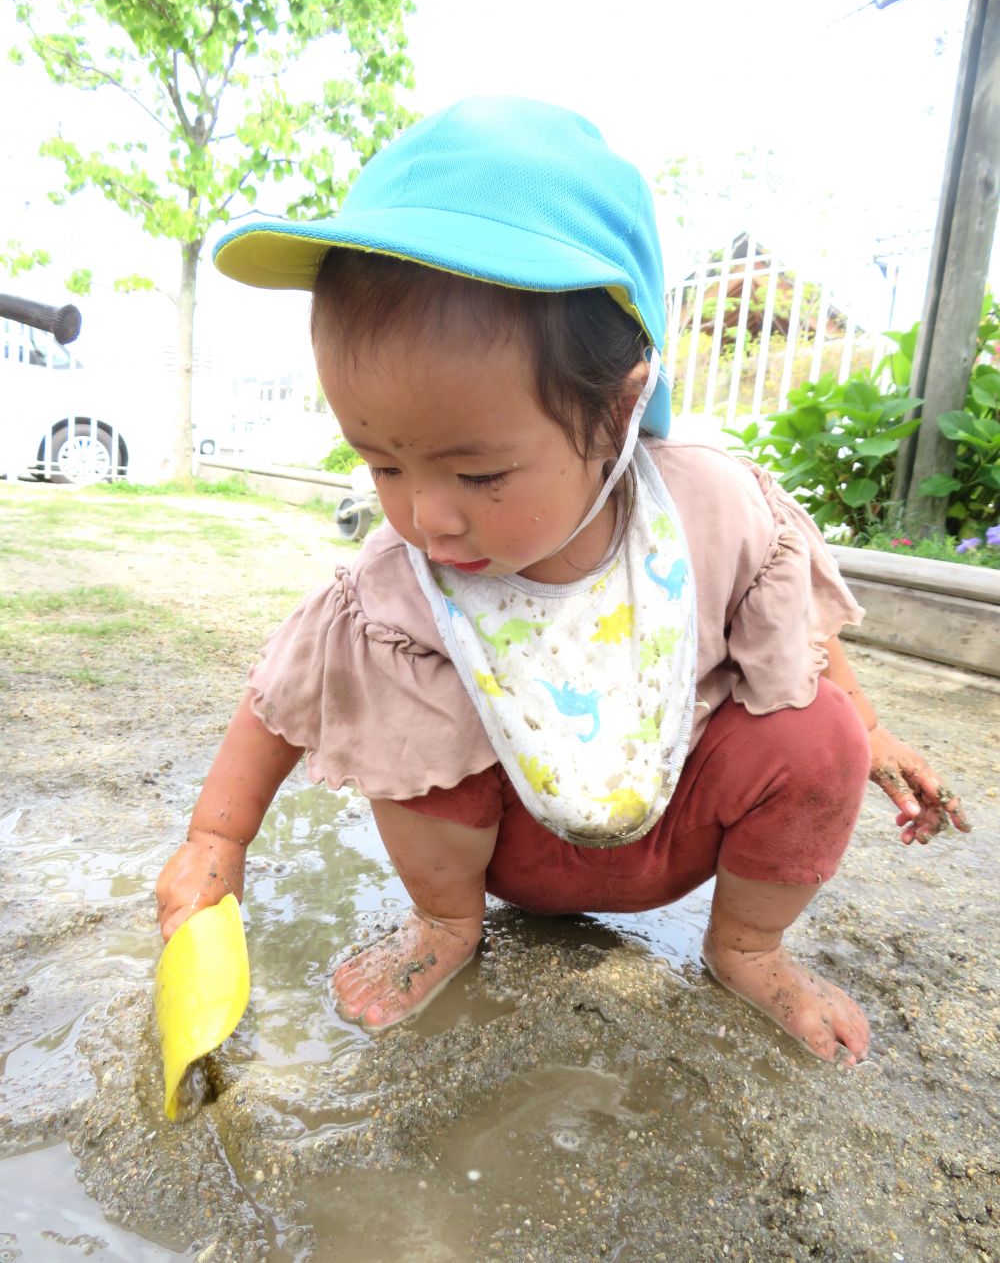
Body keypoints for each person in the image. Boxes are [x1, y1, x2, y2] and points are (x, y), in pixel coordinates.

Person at [155, 97, 969, 1066]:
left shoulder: (709, 508)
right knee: (400, 701)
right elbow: (280, 700)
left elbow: (792, 623)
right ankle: (444, 928)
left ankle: (749, 945)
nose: (427, 515)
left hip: (677, 826)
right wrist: (217, 835)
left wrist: (869, 728)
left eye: (479, 473)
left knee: (817, 731)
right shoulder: (408, 573)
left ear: (619, 409)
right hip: (506, 852)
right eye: (382, 464)